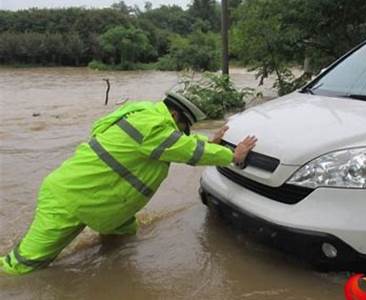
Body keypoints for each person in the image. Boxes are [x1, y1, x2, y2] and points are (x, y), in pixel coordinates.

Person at [0, 92, 257, 275]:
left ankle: (112, 273)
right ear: (176, 115)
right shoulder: (153, 127)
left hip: (105, 202)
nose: (182, 132)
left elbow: (178, 146)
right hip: (70, 199)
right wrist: (231, 156)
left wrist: (209, 144)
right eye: (183, 127)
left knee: (121, 241)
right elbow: (183, 149)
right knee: (23, 264)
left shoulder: (144, 115)